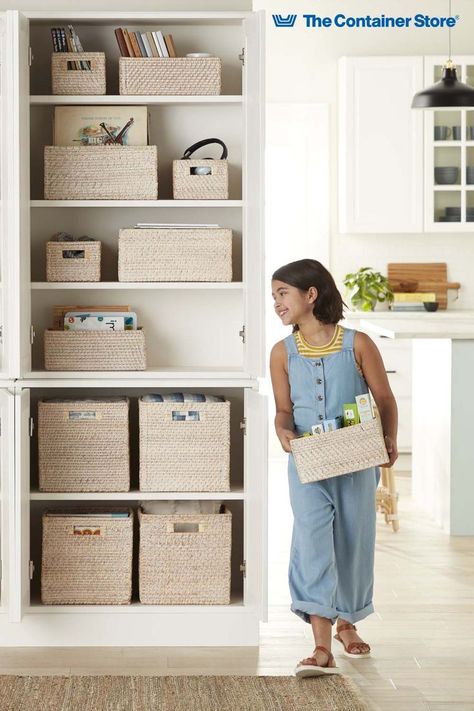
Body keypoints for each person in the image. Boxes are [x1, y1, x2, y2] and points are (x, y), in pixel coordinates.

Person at [269, 259, 398, 678]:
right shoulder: (281, 352)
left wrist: (389, 439)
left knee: (352, 540)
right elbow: (284, 411)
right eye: (273, 296)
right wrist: (283, 432)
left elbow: (384, 399)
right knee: (311, 539)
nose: (276, 303)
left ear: (311, 295)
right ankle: (321, 645)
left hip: (357, 461)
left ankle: (347, 622)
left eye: (282, 293)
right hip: (308, 463)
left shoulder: (357, 344)